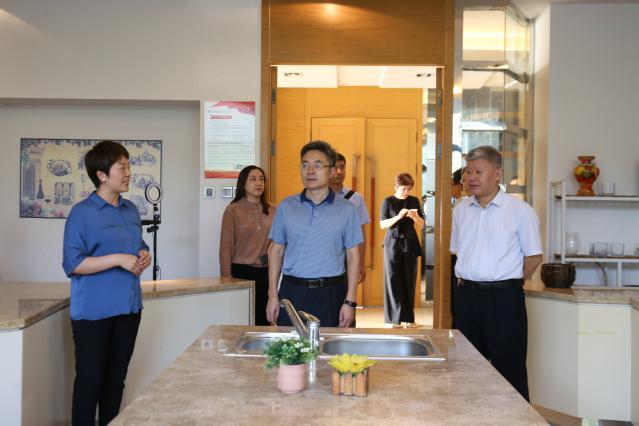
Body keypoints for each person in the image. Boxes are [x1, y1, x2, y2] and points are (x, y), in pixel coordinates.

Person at [62, 140, 151, 426]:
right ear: (101, 175)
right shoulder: (81, 213)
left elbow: (137, 245)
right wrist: (117, 259)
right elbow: (73, 264)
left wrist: (143, 253)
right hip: (93, 313)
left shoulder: (130, 210)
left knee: (116, 382)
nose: (128, 173)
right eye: (121, 167)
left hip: (129, 309)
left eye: (128, 166)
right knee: (90, 383)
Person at [450, 145, 542, 401]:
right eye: (468, 171)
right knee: (466, 367)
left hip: (504, 300)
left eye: (478, 171)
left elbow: (534, 257)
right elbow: (457, 251)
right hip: (466, 297)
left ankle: (515, 418)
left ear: (498, 173)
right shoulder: (461, 210)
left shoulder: (520, 211)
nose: (471, 177)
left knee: (508, 369)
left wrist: (508, 282)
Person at [266, 140, 362, 328]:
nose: (310, 171)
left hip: (331, 293)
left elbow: (353, 256)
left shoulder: (347, 209)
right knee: (290, 345)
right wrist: (272, 295)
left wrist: (350, 300)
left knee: (330, 345)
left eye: (318, 165)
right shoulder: (286, 206)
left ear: (331, 171)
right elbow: (276, 251)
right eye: (305, 165)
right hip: (292, 292)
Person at [219, 165, 276, 326]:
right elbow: (226, 248)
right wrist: (226, 278)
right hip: (241, 272)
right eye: (253, 179)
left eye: (261, 179)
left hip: (267, 272)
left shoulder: (274, 210)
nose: (258, 183)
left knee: (265, 320)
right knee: (242, 319)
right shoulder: (232, 210)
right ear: (243, 184)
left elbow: (279, 241)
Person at [330, 153, 370, 326]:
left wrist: (362, 263)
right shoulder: (319, 196)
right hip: (328, 257)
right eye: (335, 167)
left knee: (348, 297)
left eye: (342, 167)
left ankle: (347, 330)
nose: (339, 171)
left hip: (349, 258)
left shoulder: (355, 198)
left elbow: (361, 233)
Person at [379, 173, 425, 327]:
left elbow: (422, 224)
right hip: (392, 243)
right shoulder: (388, 201)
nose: (406, 192)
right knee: (392, 280)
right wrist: (398, 217)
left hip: (410, 244)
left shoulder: (414, 201)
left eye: (408, 189)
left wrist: (414, 217)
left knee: (409, 281)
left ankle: (408, 319)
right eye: (403, 189)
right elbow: (383, 224)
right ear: (396, 187)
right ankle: (392, 320)